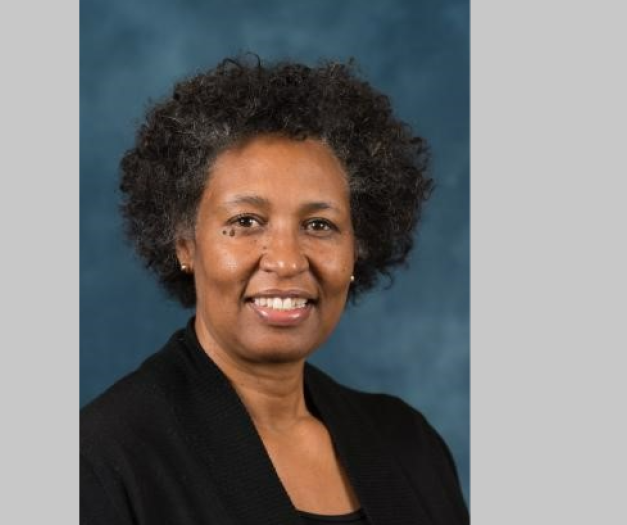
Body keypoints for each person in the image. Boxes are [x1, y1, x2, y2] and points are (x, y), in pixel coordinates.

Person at [80, 55, 469, 525]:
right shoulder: (101, 459)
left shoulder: (409, 445)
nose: (286, 260)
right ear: (185, 243)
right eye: (245, 222)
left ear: (356, 249)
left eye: (319, 224)